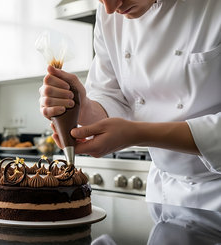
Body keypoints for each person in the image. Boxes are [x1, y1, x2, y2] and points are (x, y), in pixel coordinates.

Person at [39, 0, 221, 211]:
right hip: (165, 194)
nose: (110, 8)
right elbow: (111, 95)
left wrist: (137, 134)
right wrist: (84, 107)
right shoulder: (109, 14)